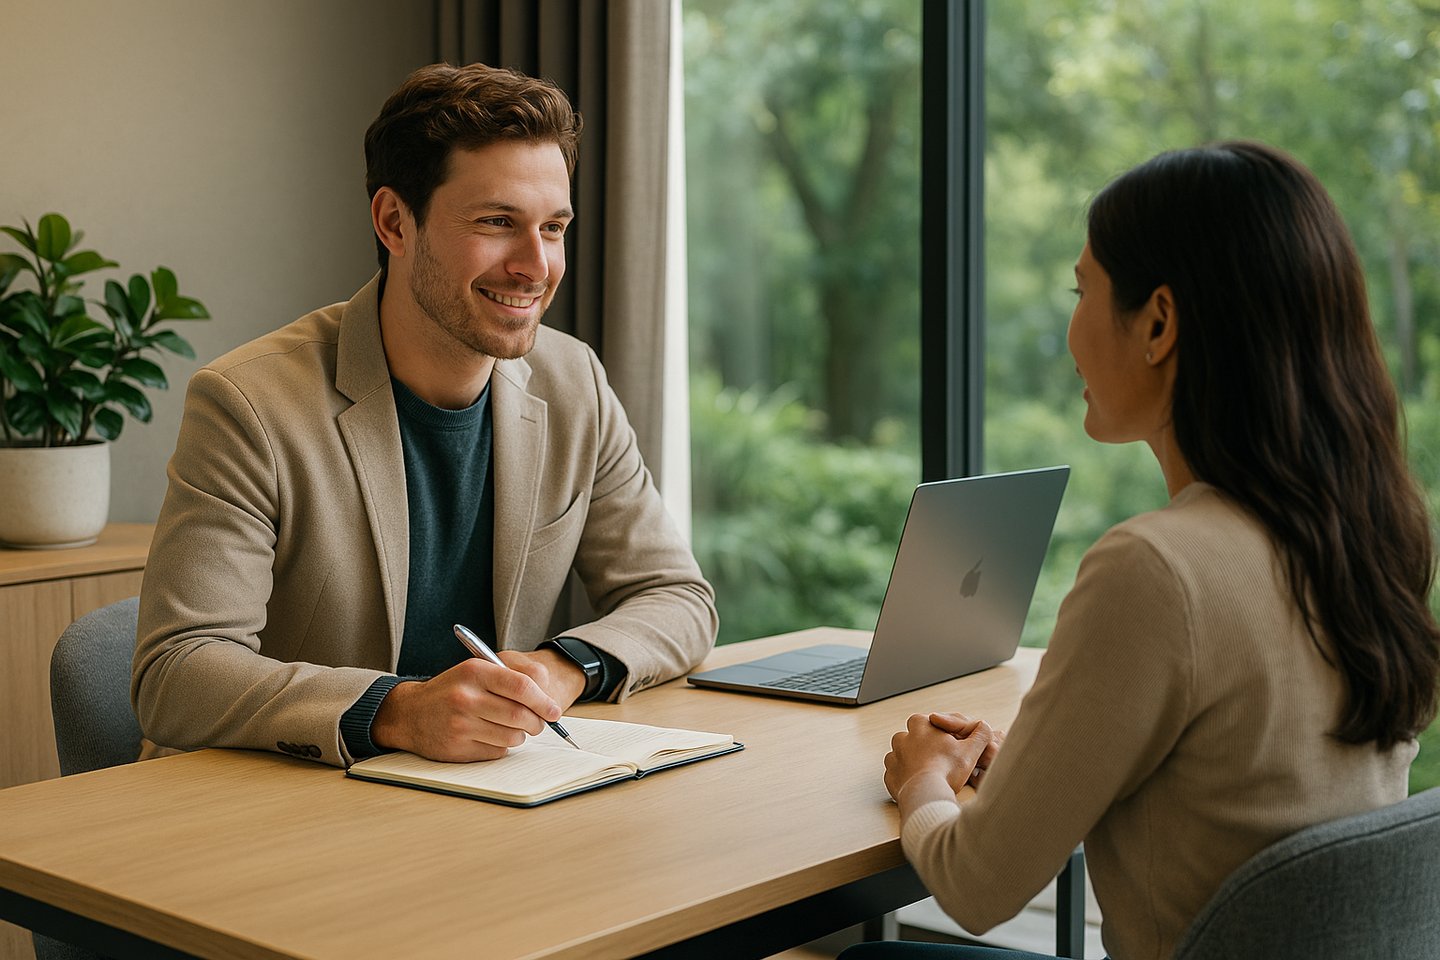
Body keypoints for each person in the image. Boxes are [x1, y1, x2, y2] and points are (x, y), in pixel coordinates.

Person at [844, 141, 1440, 960]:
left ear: (1158, 322)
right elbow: (1242, 785)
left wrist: (920, 775)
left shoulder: (1156, 568)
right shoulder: (1366, 538)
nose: (1070, 332)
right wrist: (1039, 775)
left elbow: (976, 887)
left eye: (1082, 290)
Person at [132, 62, 718, 769]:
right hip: (283, 803)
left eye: (554, 228)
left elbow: (677, 597)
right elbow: (177, 672)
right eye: (498, 222)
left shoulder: (574, 382)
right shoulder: (248, 404)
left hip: (481, 800)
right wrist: (398, 712)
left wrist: (567, 666)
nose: (535, 266)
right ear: (393, 222)